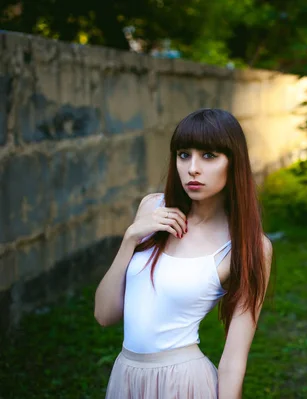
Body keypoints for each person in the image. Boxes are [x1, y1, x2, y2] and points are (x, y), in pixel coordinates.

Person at [94, 108, 273, 399]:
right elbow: (103, 315)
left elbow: (233, 362)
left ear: (234, 163)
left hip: (183, 384)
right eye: (184, 154)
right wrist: (130, 238)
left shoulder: (247, 246)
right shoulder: (153, 209)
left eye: (209, 156)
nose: (192, 168)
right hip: (125, 376)